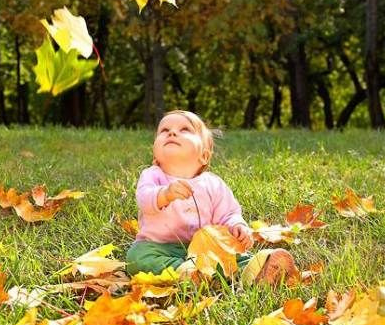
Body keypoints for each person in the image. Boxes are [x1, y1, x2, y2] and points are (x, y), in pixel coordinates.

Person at [126, 110, 296, 284]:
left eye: (184, 129)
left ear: (204, 155)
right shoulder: (152, 175)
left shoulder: (213, 184)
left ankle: (260, 268)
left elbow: (228, 213)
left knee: (234, 255)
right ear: (155, 152)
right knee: (136, 258)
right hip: (159, 246)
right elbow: (144, 200)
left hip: (207, 249)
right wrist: (165, 194)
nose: (172, 133)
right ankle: (186, 272)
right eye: (164, 130)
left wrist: (237, 226)